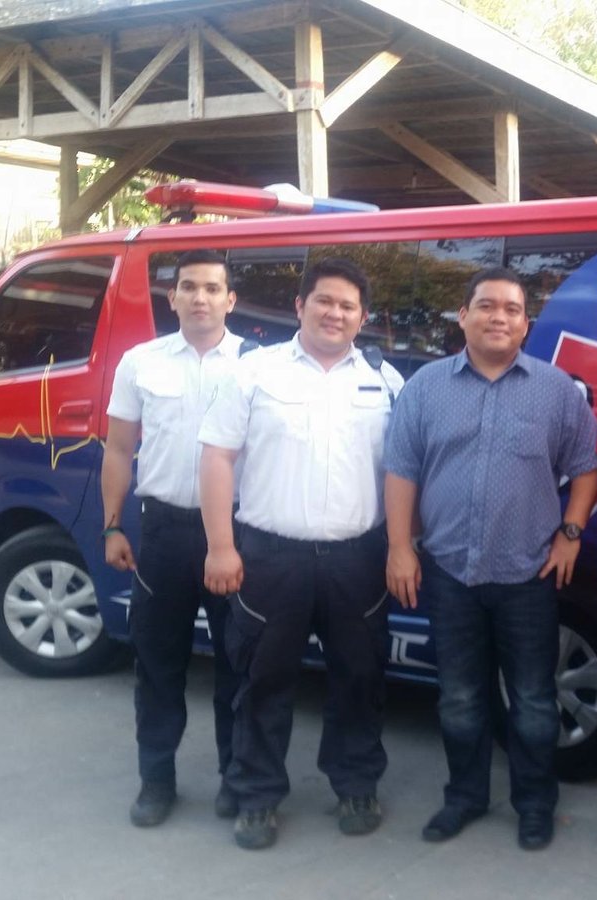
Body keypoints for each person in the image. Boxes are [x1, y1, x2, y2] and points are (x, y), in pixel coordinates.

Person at [383, 266, 597, 852]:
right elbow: (401, 468)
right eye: (486, 306)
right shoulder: (426, 387)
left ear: (526, 324)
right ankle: (465, 798)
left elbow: (588, 464)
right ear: (464, 316)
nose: (498, 317)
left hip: (527, 573)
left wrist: (571, 533)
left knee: (532, 700)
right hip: (448, 570)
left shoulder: (556, 390)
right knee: (459, 698)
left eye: (511, 309)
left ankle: (535, 804)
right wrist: (400, 547)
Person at [197, 256, 405, 850]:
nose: (335, 313)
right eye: (324, 301)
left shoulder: (386, 382)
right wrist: (220, 546)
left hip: (357, 559)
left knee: (360, 678)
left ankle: (356, 784)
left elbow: (403, 473)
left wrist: (401, 546)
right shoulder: (254, 372)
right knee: (262, 680)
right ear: (300, 307)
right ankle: (256, 795)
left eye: (347, 306)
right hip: (270, 556)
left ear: (362, 317)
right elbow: (217, 458)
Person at [101, 249, 244, 827]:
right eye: (189, 286)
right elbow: (118, 448)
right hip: (162, 532)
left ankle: (238, 779)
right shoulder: (141, 362)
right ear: (173, 297)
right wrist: (113, 524)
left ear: (230, 299)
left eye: (212, 288)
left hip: (235, 535)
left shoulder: (258, 365)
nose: (200, 297)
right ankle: (156, 781)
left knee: (240, 663)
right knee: (158, 663)